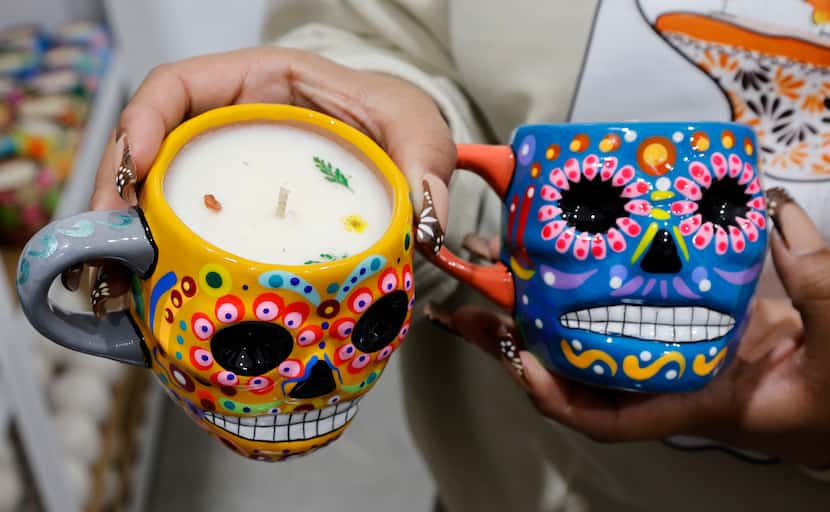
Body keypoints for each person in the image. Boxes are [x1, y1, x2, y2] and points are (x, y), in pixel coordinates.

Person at [86, 1, 830, 510]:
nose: (660, 259)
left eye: (722, 207)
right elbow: (373, 30)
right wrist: (379, 150)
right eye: (595, 209)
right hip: (505, 479)